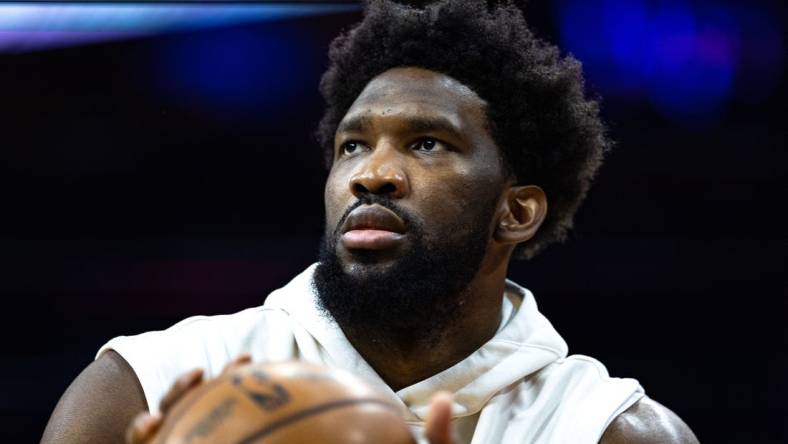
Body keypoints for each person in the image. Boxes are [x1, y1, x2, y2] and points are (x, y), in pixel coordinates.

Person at [42, 1, 699, 443]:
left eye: (427, 143)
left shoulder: (605, 430)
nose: (371, 174)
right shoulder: (145, 387)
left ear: (517, 210)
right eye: (353, 145)